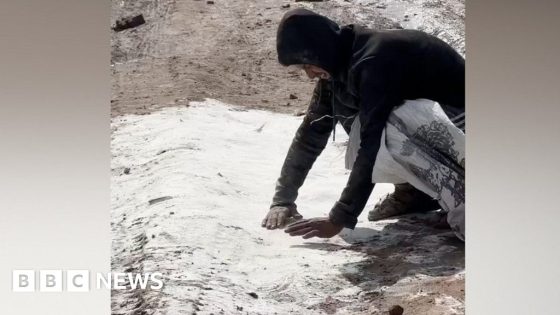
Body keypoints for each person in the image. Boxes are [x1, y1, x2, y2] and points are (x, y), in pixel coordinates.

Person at [261, 8, 465, 240]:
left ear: (320, 51)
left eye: (308, 65)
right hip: (454, 135)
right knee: (356, 119)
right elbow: (311, 133)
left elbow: (372, 143)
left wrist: (339, 218)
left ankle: (467, 199)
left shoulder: (373, 60)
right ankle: (417, 194)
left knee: (390, 126)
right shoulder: (337, 66)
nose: (309, 75)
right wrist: (283, 200)